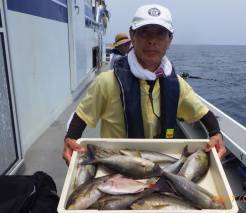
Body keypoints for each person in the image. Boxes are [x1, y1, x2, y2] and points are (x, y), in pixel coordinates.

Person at [63, 4, 226, 165]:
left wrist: (216, 133)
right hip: (115, 164)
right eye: (144, 32)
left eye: (160, 34)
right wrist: (70, 139)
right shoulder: (106, 82)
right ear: (132, 36)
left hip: (158, 163)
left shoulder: (177, 85)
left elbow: (203, 113)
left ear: (170, 40)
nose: (152, 40)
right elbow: (82, 116)